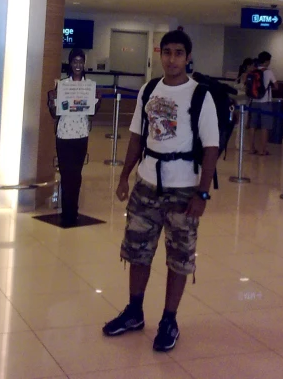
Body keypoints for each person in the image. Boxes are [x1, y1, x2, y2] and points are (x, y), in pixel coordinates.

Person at [102, 30, 219, 353]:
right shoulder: (149, 89)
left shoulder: (200, 96)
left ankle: (169, 319)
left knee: (179, 259)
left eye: (178, 53)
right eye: (166, 52)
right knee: (137, 251)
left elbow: (211, 148)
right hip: (147, 184)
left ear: (188, 57)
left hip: (184, 190)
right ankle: (134, 311)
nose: (171, 59)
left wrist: (202, 194)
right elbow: (137, 137)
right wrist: (125, 176)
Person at [48, 48, 100, 227]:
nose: (78, 65)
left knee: (76, 174)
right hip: (63, 134)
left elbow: (92, 113)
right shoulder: (62, 85)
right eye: (75, 61)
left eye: (81, 61)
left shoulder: (89, 86)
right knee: (65, 173)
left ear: (84, 64)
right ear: (70, 64)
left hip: (81, 133)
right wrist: (51, 99)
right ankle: (66, 211)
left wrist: (97, 101)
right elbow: (54, 113)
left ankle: (73, 210)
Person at [247, 50, 278, 156]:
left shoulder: (253, 71)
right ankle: (262, 150)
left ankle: (251, 148)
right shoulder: (268, 72)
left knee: (253, 125)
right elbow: (276, 86)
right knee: (265, 126)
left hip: (254, 101)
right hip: (265, 102)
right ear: (266, 61)